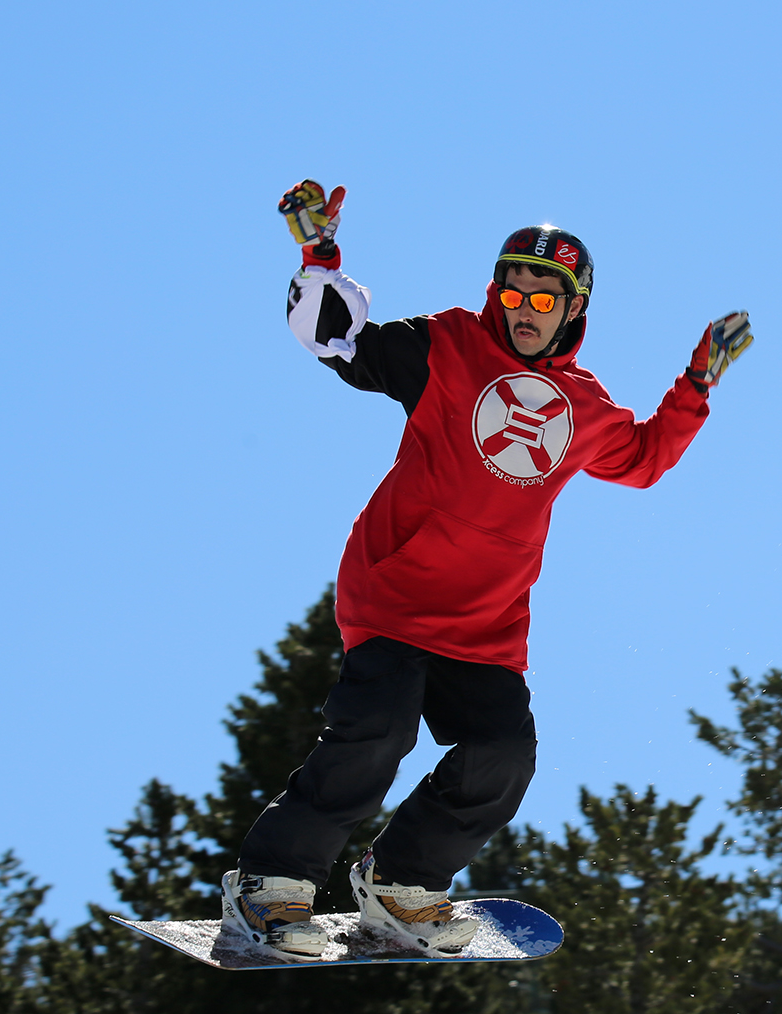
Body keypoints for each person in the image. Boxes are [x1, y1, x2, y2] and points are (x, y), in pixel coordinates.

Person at [221, 181, 754, 960]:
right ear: (492, 295)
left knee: (504, 756)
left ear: (575, 311)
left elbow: (641, 460)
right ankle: (271, 884)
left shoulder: (584, 404)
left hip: (485, 624)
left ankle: (402, 885)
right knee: (378, 731)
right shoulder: (447, 346)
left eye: (547, 298)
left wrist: (696, 384)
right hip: (396, 596)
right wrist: (321, 254)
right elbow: (342, 345)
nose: (525, 309)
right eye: (513, 291)